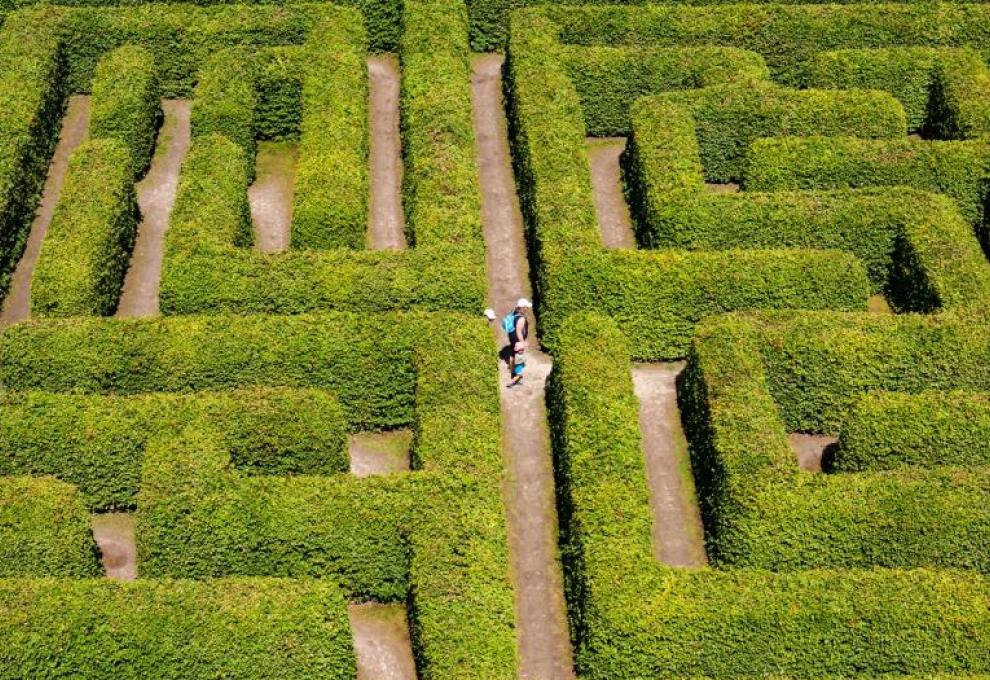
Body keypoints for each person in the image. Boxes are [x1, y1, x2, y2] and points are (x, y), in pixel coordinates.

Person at [501, 298, 532, 387]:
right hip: (517, 340)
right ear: (523, 308)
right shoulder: (521, 318)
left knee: (512, 354)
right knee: (520, 359)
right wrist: (522, 342)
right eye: (526, 307)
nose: (527, 309)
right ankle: (515, 379)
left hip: (512, 337)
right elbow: (519, 331)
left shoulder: (514, 313)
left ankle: (512, 372)